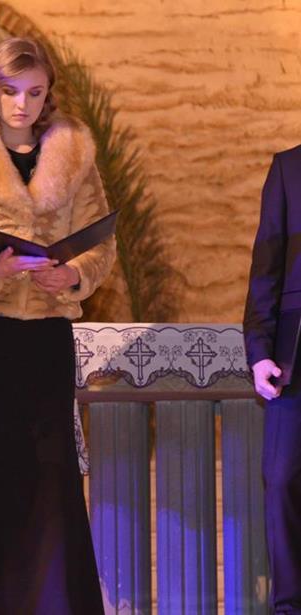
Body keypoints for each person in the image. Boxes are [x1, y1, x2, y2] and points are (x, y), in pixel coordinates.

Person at [0, 37, 114, 614]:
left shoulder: (74, 146)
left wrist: (74, 275)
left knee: (51, 475)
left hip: (45, 337)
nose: (22, 105)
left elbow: (100, 242)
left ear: (48, 92)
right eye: (10, 91)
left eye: (34, 93)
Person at [244, 143, 301, 614]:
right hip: (295, 357)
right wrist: (260, 351)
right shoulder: (289, 168)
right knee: (281, 479)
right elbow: (266, 266)